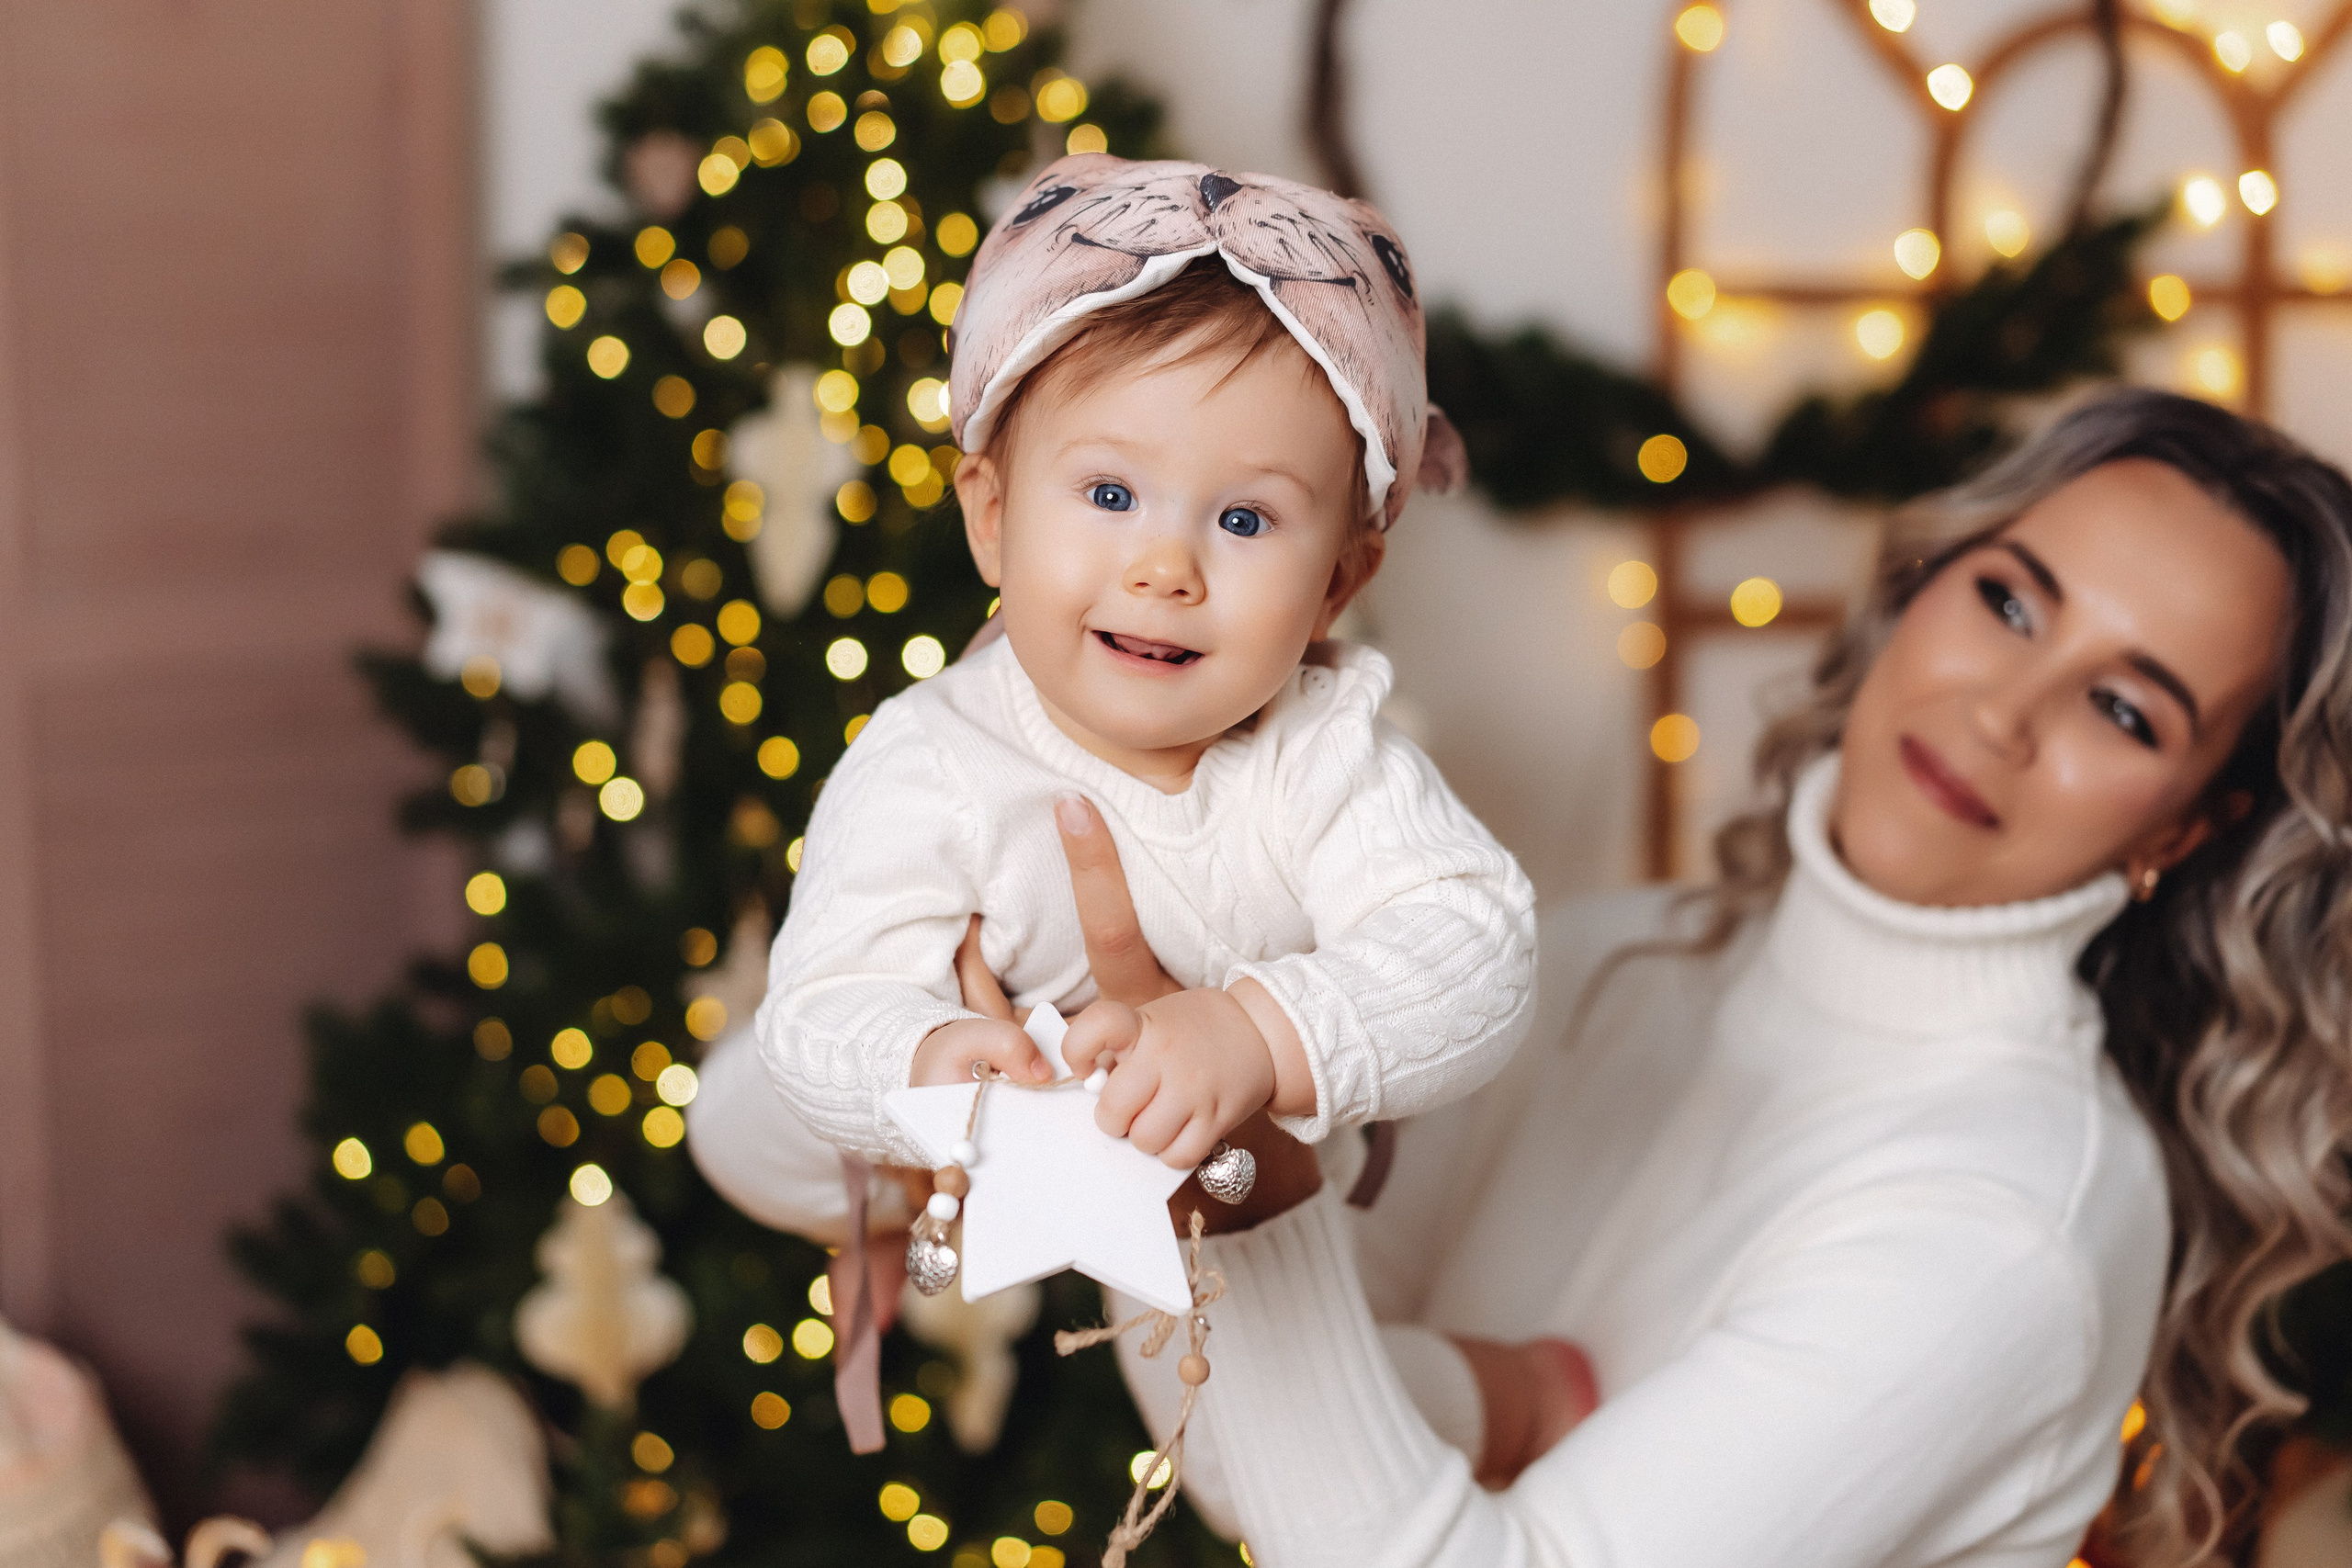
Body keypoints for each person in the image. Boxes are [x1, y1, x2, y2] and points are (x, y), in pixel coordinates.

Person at [693, 387, 2352, 1566]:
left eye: (2124, 708)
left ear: (2191, 823)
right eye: (2009, 600)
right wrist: (1495, 1395)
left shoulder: (2013, 1219)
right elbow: (1261, 1464)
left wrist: (1241, 1205)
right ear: (1917, 589)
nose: (2004, 711)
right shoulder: (1614, 959)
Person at [755, 155, 1535, 1194]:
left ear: (1337, 582)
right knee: (764, 1130)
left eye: (1244, 519)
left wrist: (1257, 1033)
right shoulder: (934, 757)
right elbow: (823, 1001)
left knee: (1240, 1324)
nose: (1165, 568)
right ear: (991, 519)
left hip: (1239, 1199)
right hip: (998, 1163)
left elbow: (1477, 946)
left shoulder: (1323, 752)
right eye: (1111, 494)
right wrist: (919, 1061)